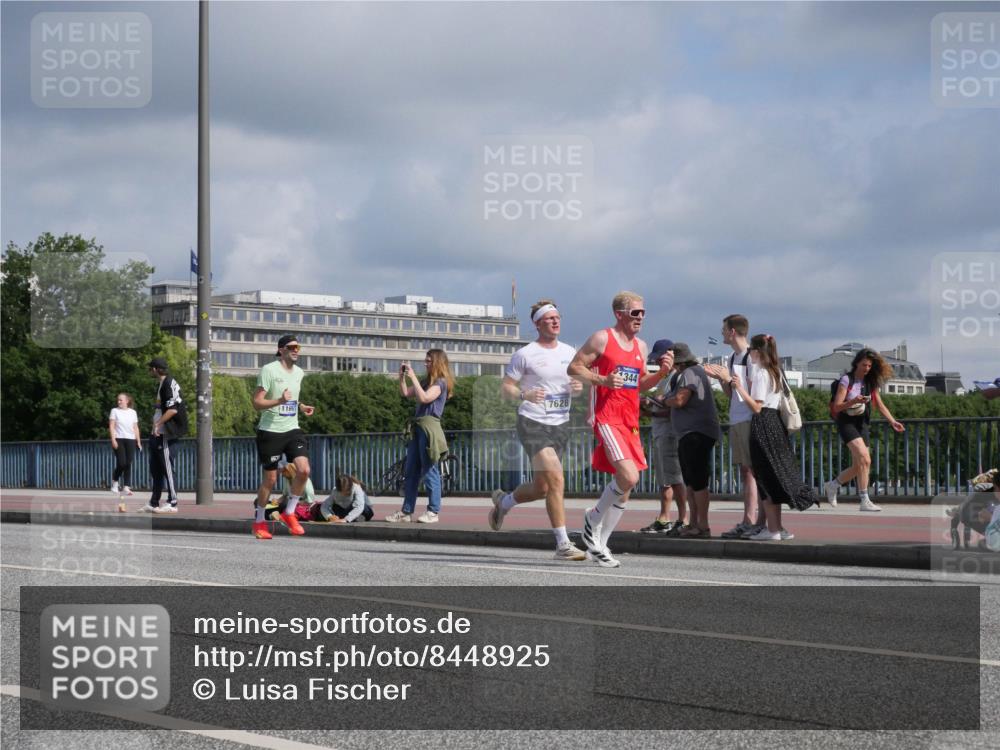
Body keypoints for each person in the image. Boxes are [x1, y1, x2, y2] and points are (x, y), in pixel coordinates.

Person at [567, 291, 674, 567]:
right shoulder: (602, 338)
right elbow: (574, 368)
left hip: (630, 420)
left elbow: (639, 383)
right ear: (619, 314)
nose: (641, 318)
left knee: (626, 486)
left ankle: (600, 545)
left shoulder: (641, 346)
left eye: (643, 313)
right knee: (629, 476)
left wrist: (661, 374)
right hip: (606, 416)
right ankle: (592, 519)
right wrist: (603, 379)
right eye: (635, 313)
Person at [489, 299, 586, 560]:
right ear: (537, 324)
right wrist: (525, 394)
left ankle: (504, 502)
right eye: (549, 318)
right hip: (532, 422)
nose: (555, 321)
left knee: (543, 487)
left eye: (558, 317)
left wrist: (577, 387)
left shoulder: (569, 351)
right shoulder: (525, 354)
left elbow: (575, 384)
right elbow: (506, 388)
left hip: (560, 423)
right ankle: (563, 544)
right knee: (557, 479)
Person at [730, 334, 819, 540]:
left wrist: (739, 387)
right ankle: (776, 528)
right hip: (776, 423)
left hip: (763, 424)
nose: (750, 353)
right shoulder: (775, 371)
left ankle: (772, 530)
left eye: (752, 350)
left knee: (765, 477)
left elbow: (757, 407)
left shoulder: (761, 373)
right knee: (774, 474)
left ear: (757, 351)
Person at [251, 334, 316, 540]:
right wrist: (279, 400)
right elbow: (257, 403)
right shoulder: (269, 370)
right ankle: (259, 521)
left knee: (304, 470)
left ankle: (289, 513)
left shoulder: (299, 373)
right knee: (270, 480)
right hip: (270, 431)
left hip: (292, 429)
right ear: (281, 350)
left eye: (298, 347)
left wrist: (301, 406)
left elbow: (292, 399)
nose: (296, 350)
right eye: (291, 347)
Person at [824, 348, 905, 512]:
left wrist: (893, 421)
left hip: (862, 424)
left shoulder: (870, 382)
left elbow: (879, 405)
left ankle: (832, 485)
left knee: (859, 466)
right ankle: (864, 500)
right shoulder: (846, 380)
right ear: (856, 363)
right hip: (846, 423)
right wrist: (853, 401)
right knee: (865, 459)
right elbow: (837, 407)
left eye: (869, 366)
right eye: (864, 365)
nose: (866, 368)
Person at [704, 314, 761, 539]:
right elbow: (731, 394)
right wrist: (721, 378)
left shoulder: (751, 357)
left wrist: (728, 379)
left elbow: (754, 392)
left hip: (749, 417)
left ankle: (751, 519)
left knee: (750, 471)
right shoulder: (731, 358)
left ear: (732, 332)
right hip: (737, 417)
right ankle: (749, 519)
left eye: (724, 330)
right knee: (745, 470)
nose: (722, 334)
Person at [659, 343, 722, 538]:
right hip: (690, 433)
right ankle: (694, 523)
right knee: (691, 482)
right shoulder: (693, 372)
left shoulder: (690, 373)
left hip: (696, 433)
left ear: (679, 362)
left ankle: (702, 525)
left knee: (698, 481)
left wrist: (663, 400)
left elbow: (680, 400)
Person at [385, 349, 454, 524]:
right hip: (418, 428)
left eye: (428, 361)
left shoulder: (441, 383)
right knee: (411, 471)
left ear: (437, 363)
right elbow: (406, 393)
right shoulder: (426, 382)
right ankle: (406, 511)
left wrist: (413, 376)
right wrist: (402, 377)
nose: (425, 363)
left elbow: (424, 398)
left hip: (429, 428)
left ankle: (433, 511)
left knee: (429, 470)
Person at [638, 339, 687, 535]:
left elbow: (675, 408)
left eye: (660, 358)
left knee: (675, 478)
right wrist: (649, 404)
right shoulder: (665, 377)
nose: (658, 362)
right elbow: (664, 404)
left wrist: (650, 411)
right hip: (661, 432)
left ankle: (683, 519)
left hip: (670, 433)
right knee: (665, 479)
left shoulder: (677, 376)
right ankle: (664, 517)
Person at [141, 358, 187, 514]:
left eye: (150, 368)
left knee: (167, 469)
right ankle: (153, 502)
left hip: (165, 433)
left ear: (155, 369)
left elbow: (173, 409)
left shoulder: (168, 383)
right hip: (157, 433)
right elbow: (164, 406)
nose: (149, 371)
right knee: (155, 469)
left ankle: (172, 502)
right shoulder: (163, 383)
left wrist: (158, 424)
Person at [109, 392, 141, 497]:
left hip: (131, 439)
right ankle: (115, 481)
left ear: (127, 401)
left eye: (121, 400)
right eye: (118, 400)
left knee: (128, 463)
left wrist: (138, 441)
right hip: (119, 438)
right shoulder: (114, 411)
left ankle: (126, 486)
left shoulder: (133, 412)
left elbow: (135, 427)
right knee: (122, 463)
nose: (118, 402)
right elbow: (111, 426)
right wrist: (113, 440)